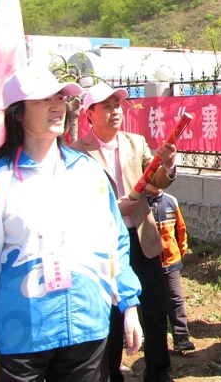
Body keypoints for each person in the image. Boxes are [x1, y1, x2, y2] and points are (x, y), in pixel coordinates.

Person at [0, 67, 143, 381]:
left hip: (86, 324)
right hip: (21, 329)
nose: (56, 106)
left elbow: (114, 241)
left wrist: (129, 306)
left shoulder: (88, 172)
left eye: (60, 97)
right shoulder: (0, 179)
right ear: (18, 113)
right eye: (43, 100)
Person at [70, 83, 177, 382]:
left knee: (154, 310)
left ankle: (158, 371)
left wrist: (167, 164)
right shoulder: (76, 152)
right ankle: (111, 372)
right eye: (106, 106)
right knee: (112, 314)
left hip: (141, 239)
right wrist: (112, 210)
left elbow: (155, 183)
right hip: (101, 245)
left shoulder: (136, 142)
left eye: (117, 106)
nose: (115, 111)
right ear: (89, 114)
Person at [144, 185, 195, 353]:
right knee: (149, 302)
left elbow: (181, 230)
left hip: (171, 262)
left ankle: (181, 337)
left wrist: (179, 252)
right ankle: (151, 338)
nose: (159, 183)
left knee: (175, 299)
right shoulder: (140, 204)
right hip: (149, 263)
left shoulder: (171, 202)